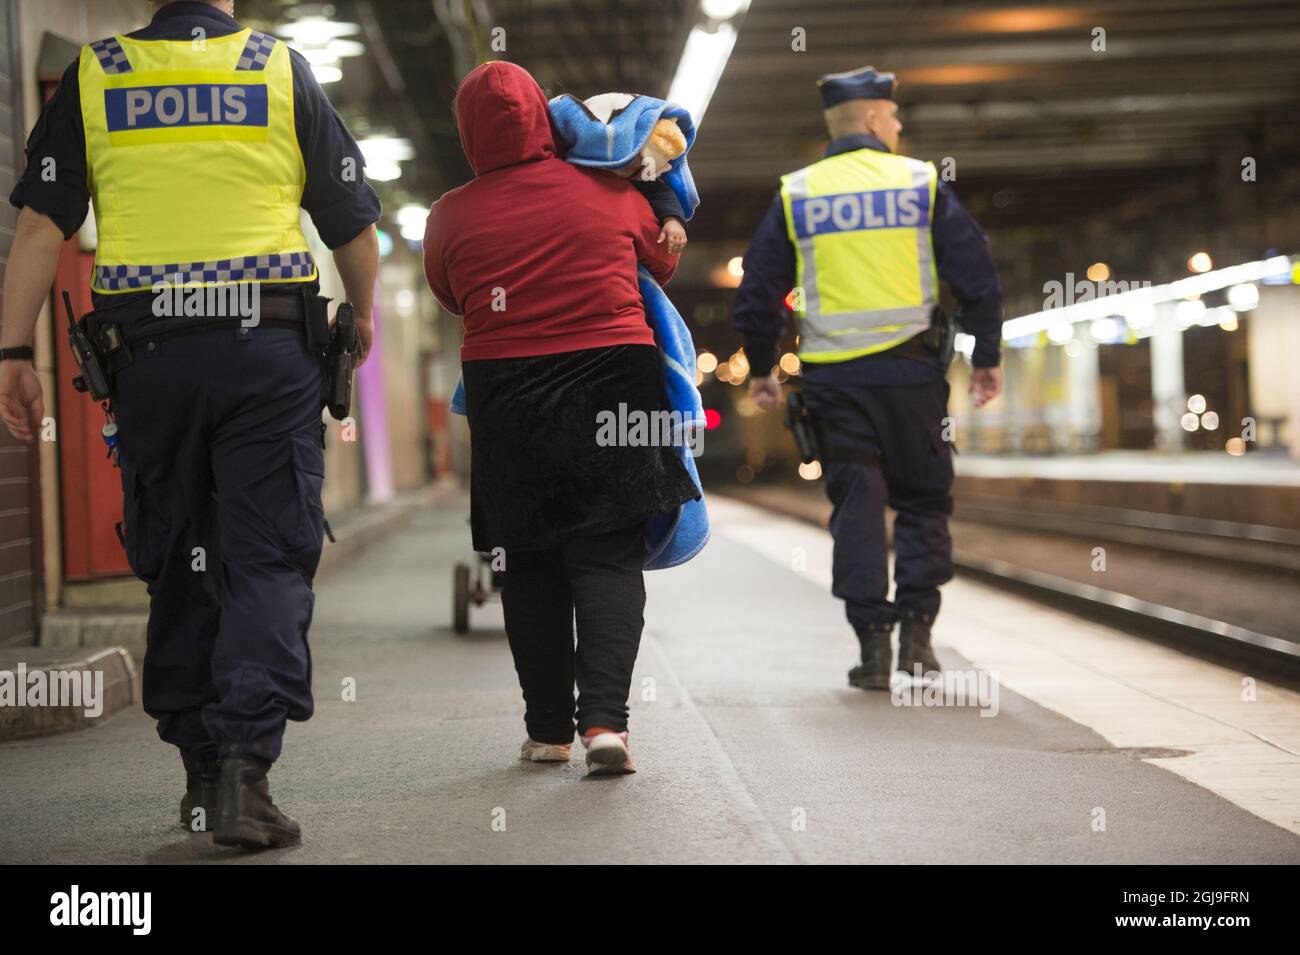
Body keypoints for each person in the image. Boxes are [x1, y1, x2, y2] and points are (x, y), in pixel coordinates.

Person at [0, 0, 380, 849]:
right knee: (267, 553)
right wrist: (362, 315)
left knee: (179, 553)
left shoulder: (102, 74)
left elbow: (37, 225)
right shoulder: (276, 69)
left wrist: (9, 355)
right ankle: (246, 773)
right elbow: (353, 225)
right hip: (266, 353)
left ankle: (203, 775)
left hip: (148, 360)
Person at [424, 61, 698, 776]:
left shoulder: (451, 212)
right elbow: (658, 266)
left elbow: (450, 291)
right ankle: (606, 724)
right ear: (547, 122)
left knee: (531, 560)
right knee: (607, 553)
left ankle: (547, 730)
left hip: (507, 392)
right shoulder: (604, 191)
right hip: (614, 381)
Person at [732, 66, 1004, 690]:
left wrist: (764, 366)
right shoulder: (920, 182)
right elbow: (977, 274)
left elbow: (759, 293)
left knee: (857, 505)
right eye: (896, 116)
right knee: (923, 500)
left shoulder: (797, 192)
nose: (900, 126)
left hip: (835, 386)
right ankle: (918, 638)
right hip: (912, 379)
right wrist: (986, 354)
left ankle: (872, 649)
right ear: (877, 119)